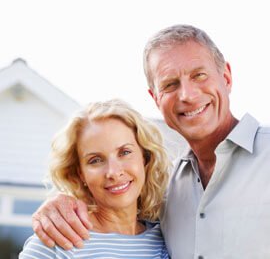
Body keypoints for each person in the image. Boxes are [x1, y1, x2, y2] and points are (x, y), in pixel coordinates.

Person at [31, 24, 270, 258]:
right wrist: (60, 203)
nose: (187, 95)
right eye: (170, 84)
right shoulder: (168, 190)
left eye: (199, 75)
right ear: (156, 98)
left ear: (226, 77)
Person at [19, 99, 170, 258]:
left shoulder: (169, 236)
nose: (113, 172)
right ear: (80, 173)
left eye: (125, 152)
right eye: (95, 160)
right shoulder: (57, 242)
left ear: (145, 157)